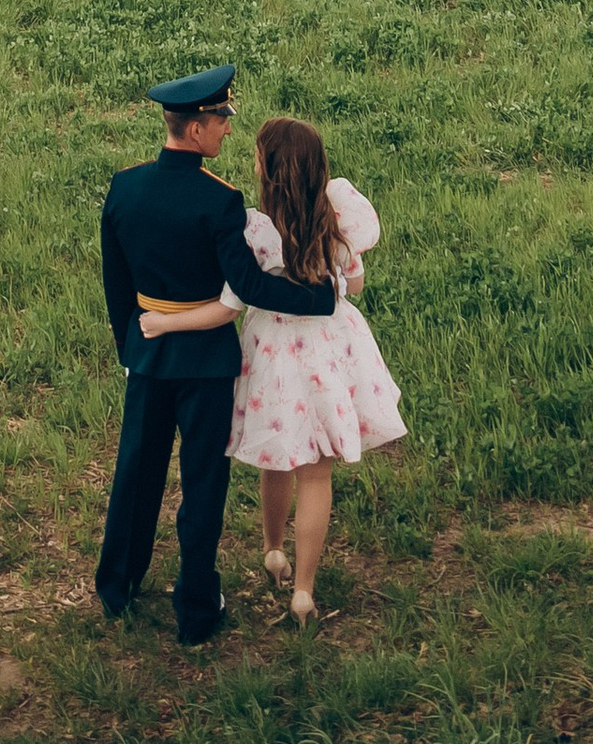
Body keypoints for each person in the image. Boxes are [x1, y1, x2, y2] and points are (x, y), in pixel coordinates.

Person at [96, 64, 340, 645]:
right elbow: (249, 287)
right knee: (203, 484)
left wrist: (130, 345)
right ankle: (197, 610)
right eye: (222, 121)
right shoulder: (220, 202)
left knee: (136, 474)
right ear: (199, 128)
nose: (228, 131)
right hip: (205, 363)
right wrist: (318, 298)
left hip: (149, 355)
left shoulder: (125, 187)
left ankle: (117, 585)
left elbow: (116, 284)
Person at [136, 113, 403, 624]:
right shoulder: (338, 216)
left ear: (269, 173)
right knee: (316, 471)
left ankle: (273, 549)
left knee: (278, 454)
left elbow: (227, 306)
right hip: (328, 350)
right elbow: (357, 283)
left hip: (277, 355)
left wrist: (167, 324)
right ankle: (303, 591)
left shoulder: (256, 231)